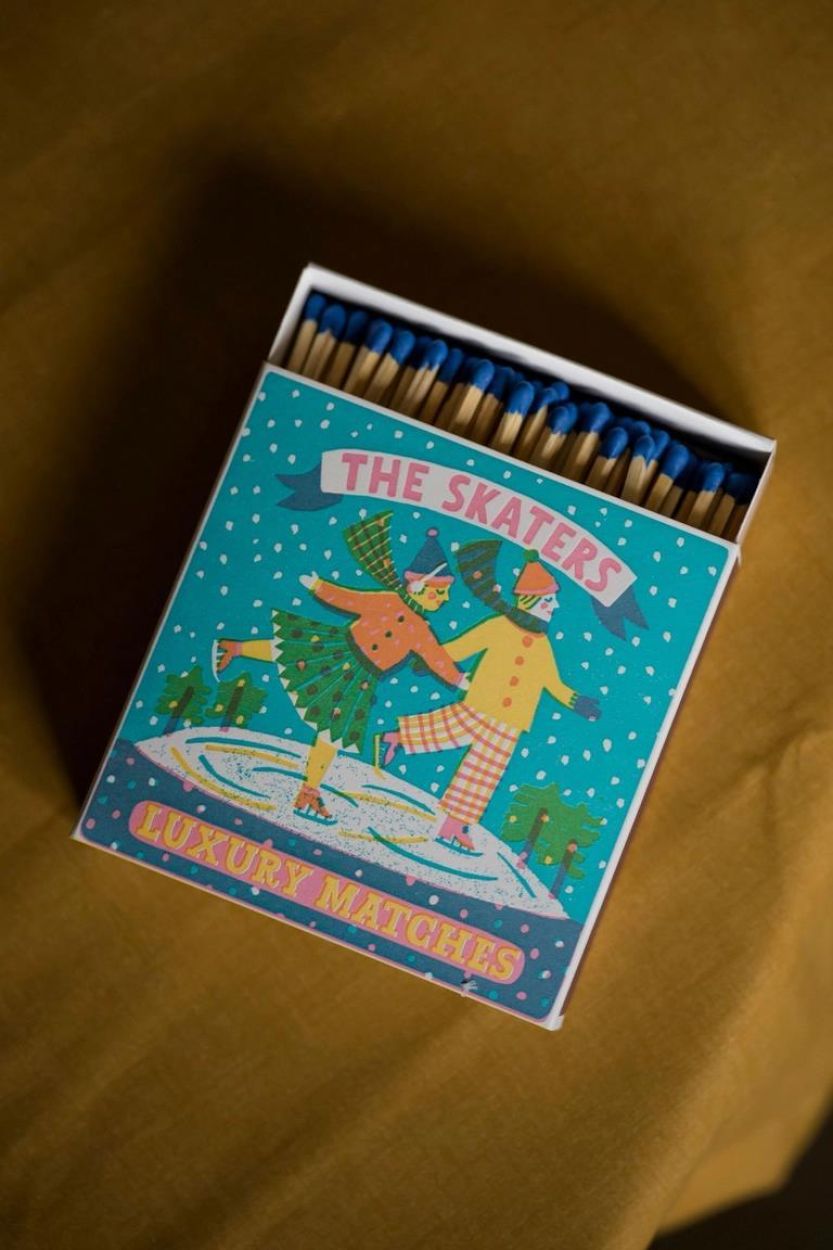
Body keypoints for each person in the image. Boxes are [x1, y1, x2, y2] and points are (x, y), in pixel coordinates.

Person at [214, 512, 467, 823]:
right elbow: (352, 600)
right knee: (289, 652)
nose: (445, 599)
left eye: (446, 592)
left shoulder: (419, 628)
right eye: (439, 591)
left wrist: (458, 678)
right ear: (417, 585)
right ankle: (234, 648)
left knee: (332, 732)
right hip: (340, 651)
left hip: (360, 680)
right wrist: (319, 587)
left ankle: (309, 790)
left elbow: (435, 656)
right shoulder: (388, 601)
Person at [376, 546, 601, 851]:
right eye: (549, 600)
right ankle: (396, 738)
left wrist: (577, 701)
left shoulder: (542, 645)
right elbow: (465, 645)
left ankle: (453, 827)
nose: (555, 606)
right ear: (529, 601)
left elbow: (552, 683)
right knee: (444, 729)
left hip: (512, 722)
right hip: (480, 704)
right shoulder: (499, 625)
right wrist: (433, 660)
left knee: (482, 776)